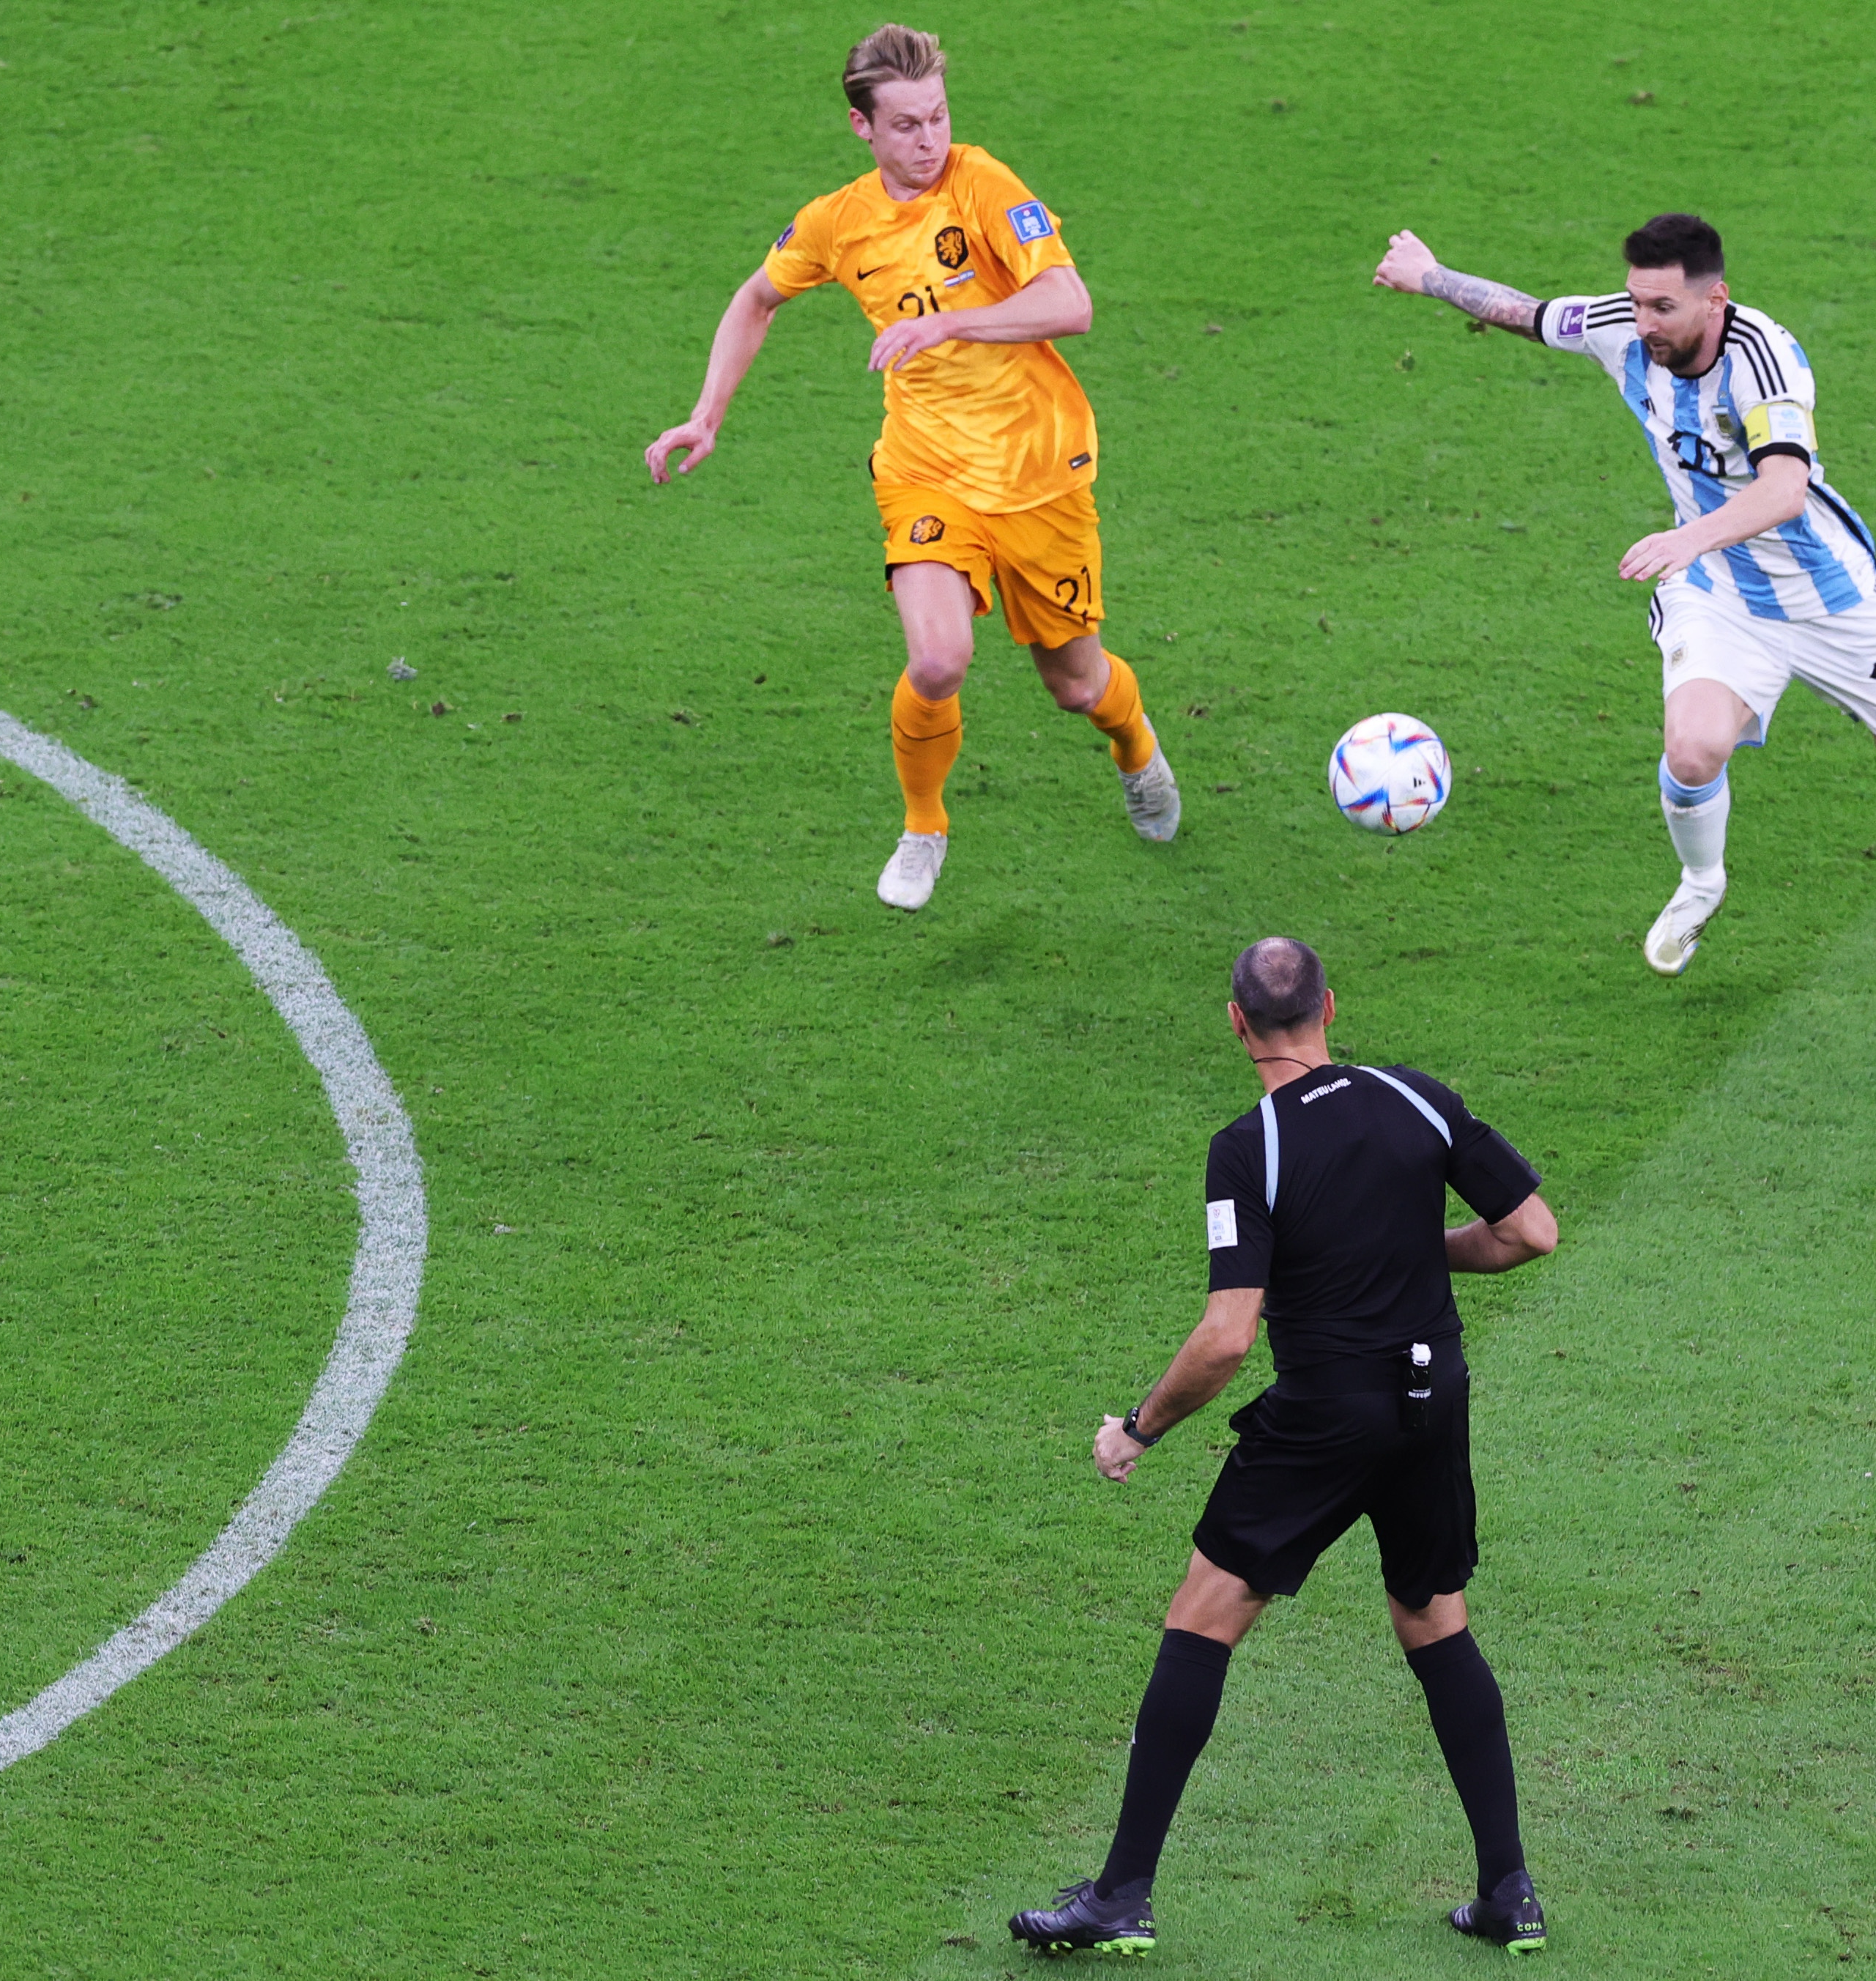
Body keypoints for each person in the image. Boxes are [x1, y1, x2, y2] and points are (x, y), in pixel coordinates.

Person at [1008, 938, 1562, 1957]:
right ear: (1330, 1008)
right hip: (1434, 1399)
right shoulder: (1419, 1097)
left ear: (1236, 1024)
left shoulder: (1249, 1146)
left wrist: (1138, 1431)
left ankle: (1122, 1893)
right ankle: (1509, 1892)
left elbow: (1227, 1337)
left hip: (1327, 1415)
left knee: (1203, 1617)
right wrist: (1410, 1248)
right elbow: (1533, 1232)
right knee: (1437, 1622)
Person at [1372, 212, 1876, 974]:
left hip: (1832, 597)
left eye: (1662, 307)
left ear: (1716, 299)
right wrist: (1429, 276)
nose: (1643, 322)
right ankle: (1702, 883)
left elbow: (1785, 489)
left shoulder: (1764, 361)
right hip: (1721, 594)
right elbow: (1528, 314)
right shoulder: (1625, 332)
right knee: (1693, 749)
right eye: (1636, 301)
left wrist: (1686, 537)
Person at [642, 23, 1176, 913]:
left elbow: (1069, 303)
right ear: (863, 129)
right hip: (927, 469)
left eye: (938, 118)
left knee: (1077, 684)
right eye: (906, 126)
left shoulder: (985, 184)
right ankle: (924, 826)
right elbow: (757, 297)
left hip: (1041, 469)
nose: (929, 141)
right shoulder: (836, 224)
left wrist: (949, 321)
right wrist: (707, 414)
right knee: (937, 659)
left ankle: (1137, 751)